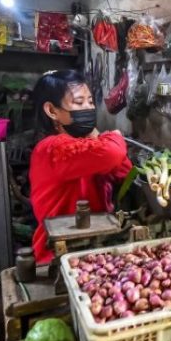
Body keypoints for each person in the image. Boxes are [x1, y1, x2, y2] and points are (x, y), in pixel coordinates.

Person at [29, 70, 132, 264]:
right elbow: (113, 153)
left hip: (92, 247)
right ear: (52, 111)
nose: (88, 108)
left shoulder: (84, 145)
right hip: (59, 254)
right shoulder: (52, 148)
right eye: (78, 103)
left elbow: (124, 170)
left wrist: (95, 136)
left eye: (91, 102)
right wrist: (115, 137)